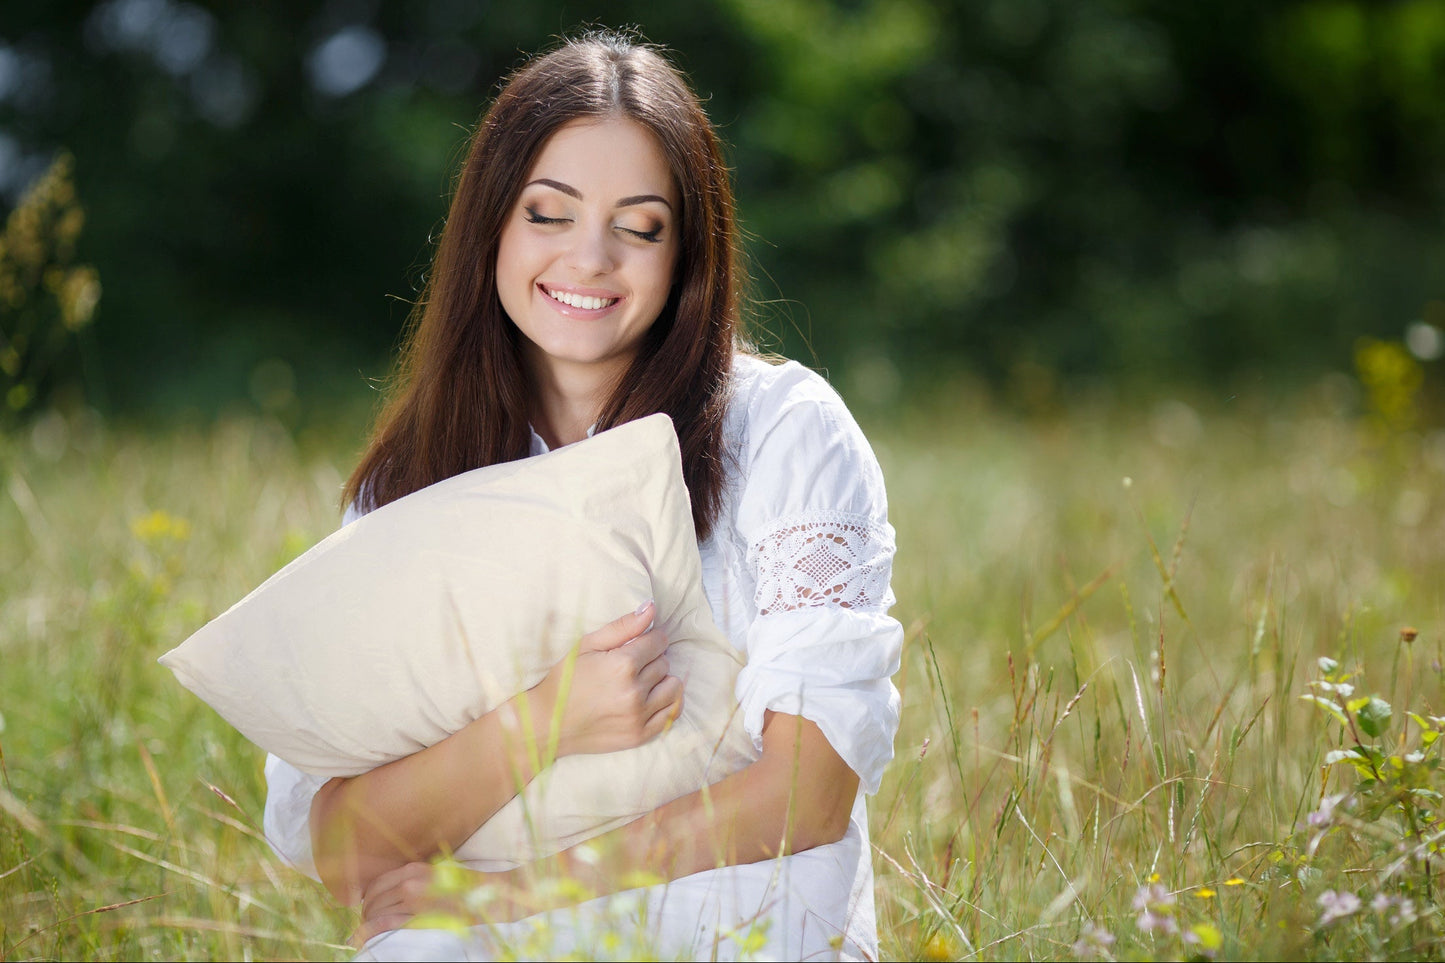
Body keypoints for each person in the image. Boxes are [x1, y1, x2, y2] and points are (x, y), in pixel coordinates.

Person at [262, 28, 904, 962]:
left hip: (741, 914)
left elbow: (807, 794)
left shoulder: (782, 431)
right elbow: (349, 853)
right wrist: (546, 721)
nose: (590, 257)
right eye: (548, 213)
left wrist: (509, 895)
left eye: (639, 227)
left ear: (686, 254)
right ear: (491, 224)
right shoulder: (408, 482)